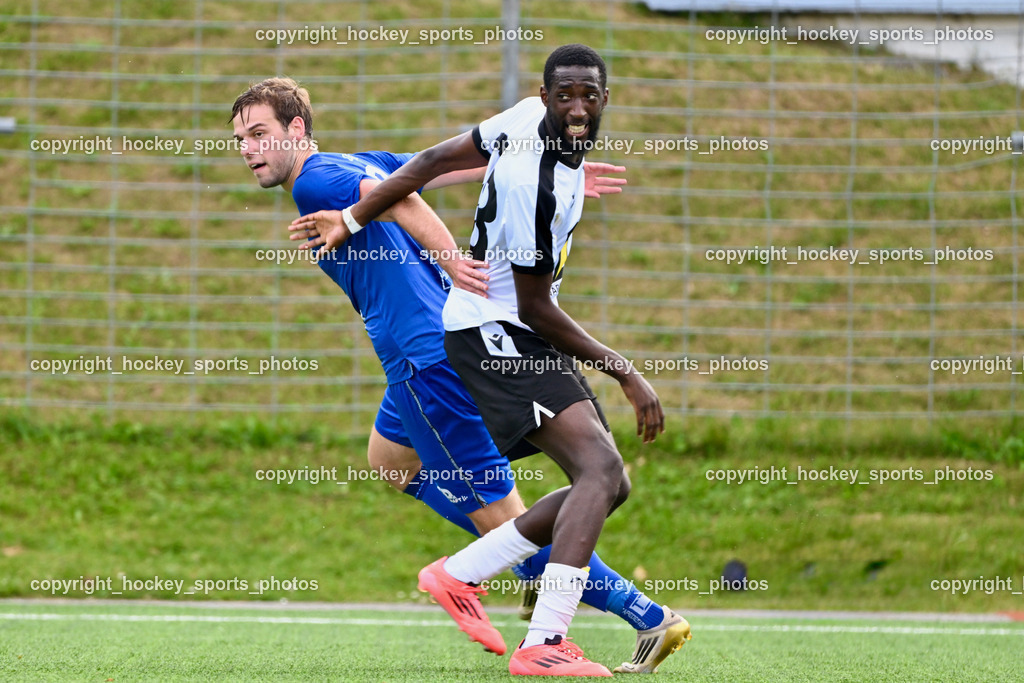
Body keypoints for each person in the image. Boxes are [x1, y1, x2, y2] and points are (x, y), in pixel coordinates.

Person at [231, 76, 689, 675]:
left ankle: (641, 615)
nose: (247, 149)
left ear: (297, 130)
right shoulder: (354, 160)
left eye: (259, 134)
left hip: (431, 366)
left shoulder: (317, 177)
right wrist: (551, 170)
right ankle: (522, 569)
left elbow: (402, 199)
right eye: (239, 139)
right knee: (390, 460)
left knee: (506, 520)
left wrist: (453, 261)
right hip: (418, 364)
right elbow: (435, 171)